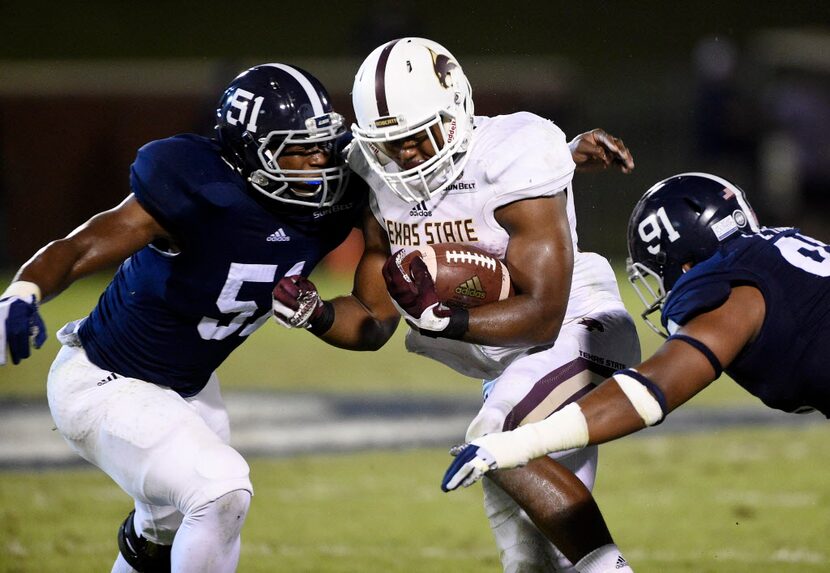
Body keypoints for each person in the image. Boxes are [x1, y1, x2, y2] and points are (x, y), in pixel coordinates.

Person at [272, 37, 640, 573]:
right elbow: (374, 318)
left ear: (456, 108)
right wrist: (318, 314)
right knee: (532, 559)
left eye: (418, 135)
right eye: (390, 142)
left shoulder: (516, 152)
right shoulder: (377, 176)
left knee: (497, 443)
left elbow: (544, 314)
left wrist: (449, 319)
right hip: (511, 367)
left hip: (578, 329)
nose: (407, 154)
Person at [0, 63, 365, 572]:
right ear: (249, 155)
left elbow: (372, 322)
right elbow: (83, 244)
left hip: (190, 389)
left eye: (322, 144)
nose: (319, 161)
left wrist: (320, 312)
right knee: (221, 491)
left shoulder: (333, 201)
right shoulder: (196, 188)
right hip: (105, 381)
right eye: (299, 149)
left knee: (164, 533)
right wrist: (23, 290)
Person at [441, 171, 829, 495]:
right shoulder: (780, 253)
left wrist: (519, 442)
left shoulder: (733, 287)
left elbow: (650, 391)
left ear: (689, 264)